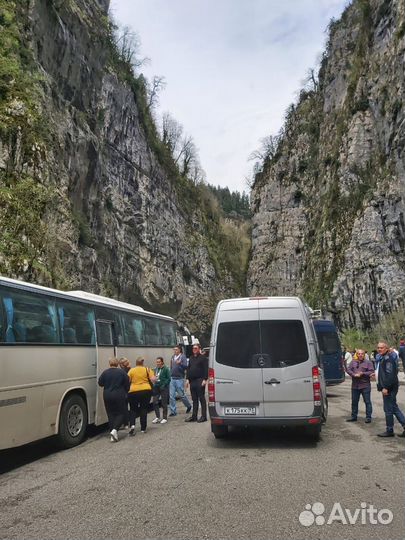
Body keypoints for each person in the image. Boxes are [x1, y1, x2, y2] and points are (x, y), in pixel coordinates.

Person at [375, 341, 405, 438]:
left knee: (389, 409)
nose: (379, 349)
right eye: (378, 347)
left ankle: (389, 430)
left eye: (382, 348)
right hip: (388, 386)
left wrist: (385, 387)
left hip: (389, 387)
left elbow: (391, 375)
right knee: (393, 407)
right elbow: (385, 373)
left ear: (386, 349)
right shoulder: (384, 358)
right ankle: (391, 429)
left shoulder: (388, 359)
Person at [98, 357, 130, 442]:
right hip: (119, 394)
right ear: (117, 364)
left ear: (109, 364)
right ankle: (115, 430)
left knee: (110, 414)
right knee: (121, 413)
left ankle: (113, 435)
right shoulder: (122, 372)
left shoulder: (105, 372)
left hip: (107, 395)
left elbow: (100, 383)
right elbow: (127, 384)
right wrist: (126, 391)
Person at [127, 357, 156, 435]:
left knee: (133, 409)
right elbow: (153, 379)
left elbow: (128, 380)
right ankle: (143, 428)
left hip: (133, 391)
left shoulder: (131, 370)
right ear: (142, 363)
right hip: (145, 390)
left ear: (136, 363)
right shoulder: (147, 369)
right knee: (143, 409)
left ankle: (132, 425)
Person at [346, 349, 374, 423]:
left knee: (367, 402)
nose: (360, 355)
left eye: (362, 354)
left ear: (364, 354)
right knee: (354, 402)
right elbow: (348, 370)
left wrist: (363, 373)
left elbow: (371, 371)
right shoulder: (353, 362)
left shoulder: (368, 363)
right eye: (359, 354)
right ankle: (353, 416)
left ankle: (368, 417)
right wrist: (353, 374)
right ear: (356, 354)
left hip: (365, 385)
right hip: (355, 386)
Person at [185, 343, 208, 423]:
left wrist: (205, 380)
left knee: (201, 398)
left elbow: (206, 369)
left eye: (196, 348)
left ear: (199, 349)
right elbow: (188, 369)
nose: (194, 350)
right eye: (193, 348)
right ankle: (194, 416)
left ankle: (204, 416)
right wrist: (187, 379)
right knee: (194, 399)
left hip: (200, 380)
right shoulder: (191, 358)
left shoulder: (203, 358)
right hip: (192, 381)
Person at [169, 345, 192, 416]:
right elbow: (171, 366)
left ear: (179, 350)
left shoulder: (183, 357)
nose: (175, 351)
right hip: (172, 378)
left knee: (181, 395)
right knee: (171, 396)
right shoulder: (172, 357)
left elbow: (186, 366)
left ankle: (188, 406)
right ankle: (173, 411)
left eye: (176, 350)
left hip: (179, 378)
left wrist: (180, 363)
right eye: (174, 350)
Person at [152, 357, 171, 424]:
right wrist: (153, 380)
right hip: (156, 387)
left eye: (159, 362)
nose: (158, 363)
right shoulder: (156, 369)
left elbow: (168, 379)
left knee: (164, 403)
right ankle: (158, 417)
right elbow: (155, 376)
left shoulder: (166, 369)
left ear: (162, 362)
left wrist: (164, 385)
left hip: (163, 387)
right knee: (155, 402)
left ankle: (164, 417)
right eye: (157, 362)